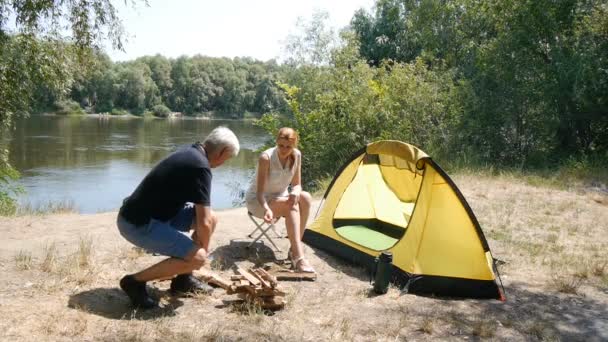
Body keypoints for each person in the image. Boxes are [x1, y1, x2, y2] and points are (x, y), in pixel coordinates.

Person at [117, 126, 239, 309]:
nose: (224, 163)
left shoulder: (192, 152)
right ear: (221, 152)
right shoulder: (201, 167)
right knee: (197, 257)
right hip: (138, 223)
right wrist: (200, 257)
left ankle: (183, 280)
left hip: (158, 214)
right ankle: (134, 282)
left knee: (212, 219)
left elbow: (206, 218)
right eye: (227, 158)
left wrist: (196, 253)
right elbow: (203, 223)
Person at [245, 127, 315, 273]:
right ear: (276, 142)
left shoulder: (297, 155)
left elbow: (297, 185)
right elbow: (260, 193)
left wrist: (295, 192)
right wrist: (267, 209)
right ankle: (299, 257)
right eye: (281, 145)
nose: (284, 149)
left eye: (288, 147)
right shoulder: (266, 157)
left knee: (306, 198)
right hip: (259, 201)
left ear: (294, 145)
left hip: (280, 198)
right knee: (290, 206)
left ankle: (293, 249)